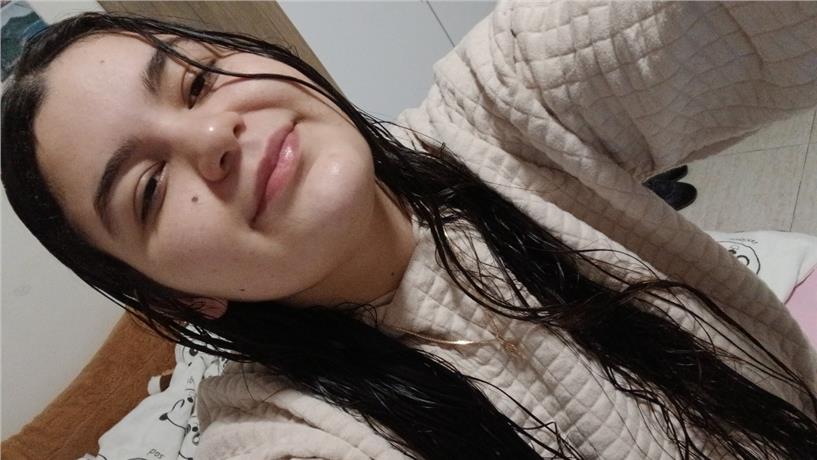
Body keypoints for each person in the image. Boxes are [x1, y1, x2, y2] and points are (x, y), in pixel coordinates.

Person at [3, 2, 817, 459]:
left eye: (198, 81)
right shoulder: (283, 436)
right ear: (181, 298)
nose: (215, 136)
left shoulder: (505, 105)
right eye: (149, 189)